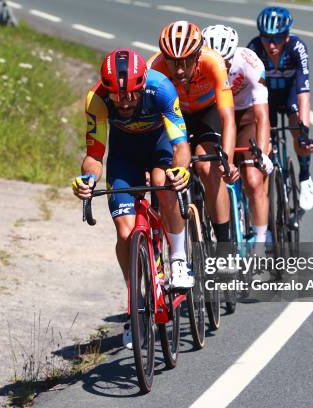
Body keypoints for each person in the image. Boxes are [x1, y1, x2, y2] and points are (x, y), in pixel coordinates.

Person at [72, 49, 192, 349]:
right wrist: (88, 179)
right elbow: (95, 156)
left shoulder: (162, 87)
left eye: (130, 95)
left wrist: (182, 170)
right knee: (125, 232)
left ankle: (177, 258)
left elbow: (180, 142)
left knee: (165, 184)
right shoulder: (96, 100)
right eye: (116, 96)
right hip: (124, 153)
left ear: (141, 87)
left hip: (159, 146)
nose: (123, 101)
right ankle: (135, 303)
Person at [149, 21, 240, 252]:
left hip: (206, 113)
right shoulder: (154, 68)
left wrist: (226, 161)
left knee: (208, 166)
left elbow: (228, 118)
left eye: (187, 62)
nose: (179, 70)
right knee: (162, 173)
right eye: (173, 62)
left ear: (198, 55)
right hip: (174, 115)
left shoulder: (213, 62)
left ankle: (225, 246)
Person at [202, 25, 273, 247]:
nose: (221, 67)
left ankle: (261, 245)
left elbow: (262, 116)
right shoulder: (198, 64)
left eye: (227, 62)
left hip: (245, 118)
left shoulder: (250, 63)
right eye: (216, 61)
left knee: (252, 179)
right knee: (208, 169)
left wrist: (261, 153)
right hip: (214, 115)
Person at [248, 7, 313, 211]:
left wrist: (304, 132)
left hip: (290, 94)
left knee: (299, 131)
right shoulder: (253, 48)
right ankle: (267, 205)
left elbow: (304, 93)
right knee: (265, 143)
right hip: (265, 98)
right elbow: (246, 90)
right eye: (266, 38)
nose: (271, 45)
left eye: (277, 38)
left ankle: (305, 176)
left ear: (287, 37)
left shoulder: (297, 47)